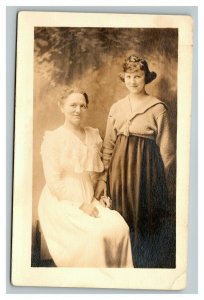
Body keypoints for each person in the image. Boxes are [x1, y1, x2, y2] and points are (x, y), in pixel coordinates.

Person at [38, 87, 133, 268]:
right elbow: (54, 183)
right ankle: (93, 284)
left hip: (89, 196)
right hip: (61, 200)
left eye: (82, 105)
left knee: (120, 227)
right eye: (72, 105)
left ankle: (119, 282)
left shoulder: (92, 135)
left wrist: (100, 196)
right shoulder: (54, 139)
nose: (78, 110)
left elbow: (97, 173)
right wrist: (81, 205)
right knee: (95, 235)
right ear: (61, 107)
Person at [95, 55, 175, 268]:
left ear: (145, 78)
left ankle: (143, 266)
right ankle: (123, 265)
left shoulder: (158, 108)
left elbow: (167, 150)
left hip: (146, 170)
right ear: (124, 78)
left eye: (137, 76)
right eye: (129, 76)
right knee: (121, 215)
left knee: (145, 215)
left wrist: (157, 179)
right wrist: (105, 176)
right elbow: (109, 145)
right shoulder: (116, 107)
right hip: (119, 169)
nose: (133, 81)